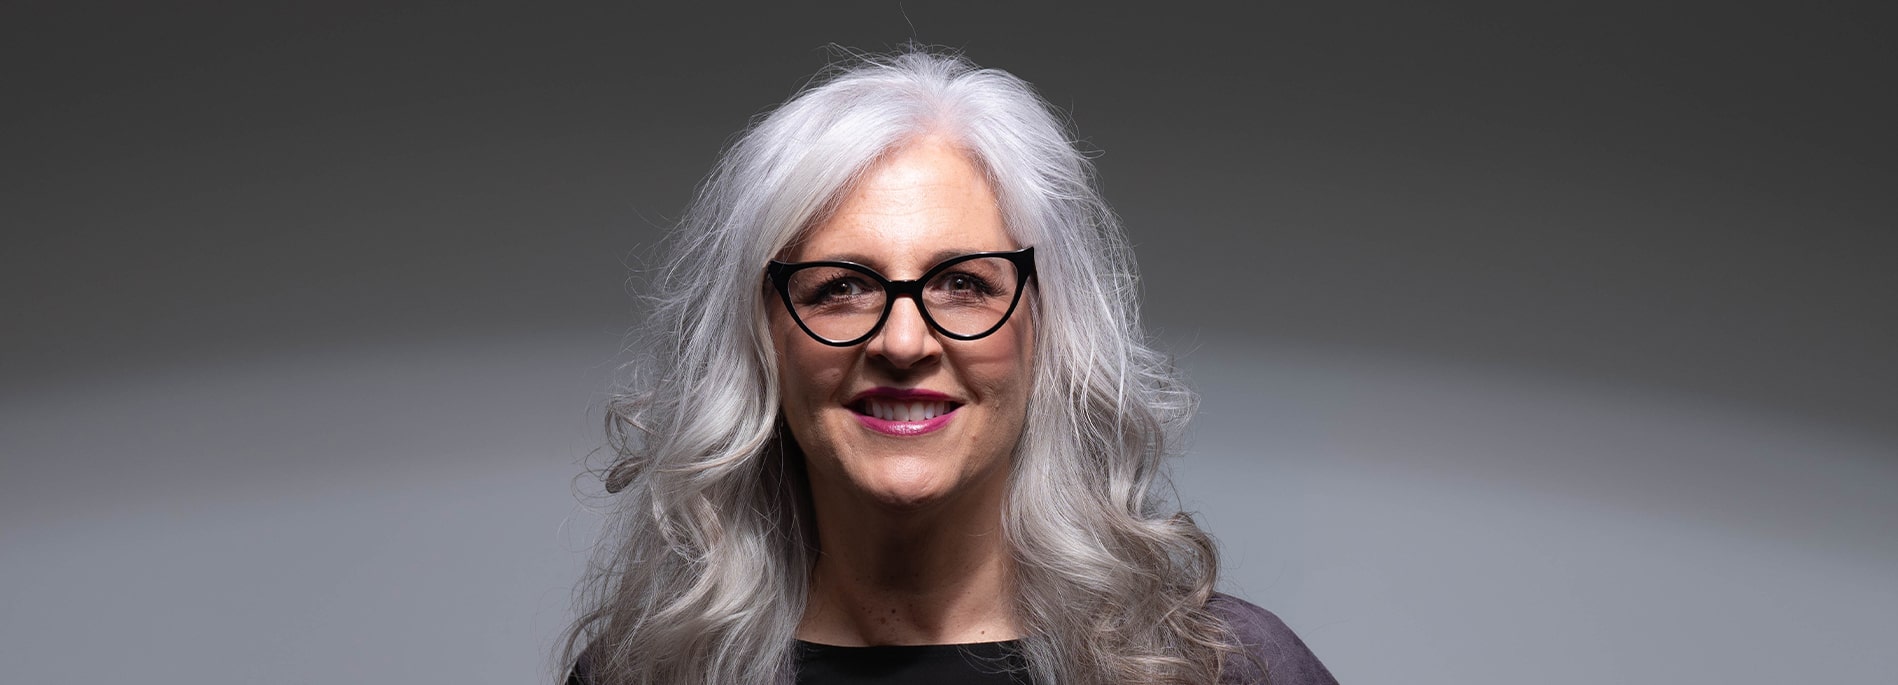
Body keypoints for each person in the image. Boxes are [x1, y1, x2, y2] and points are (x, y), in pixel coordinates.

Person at [562, 48, 1337, 685]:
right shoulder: (646, 672)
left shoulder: (1223, 670)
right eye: (841, 287)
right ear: (762, 336)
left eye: (964, 284)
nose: (902, 343)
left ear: (1048, 326)